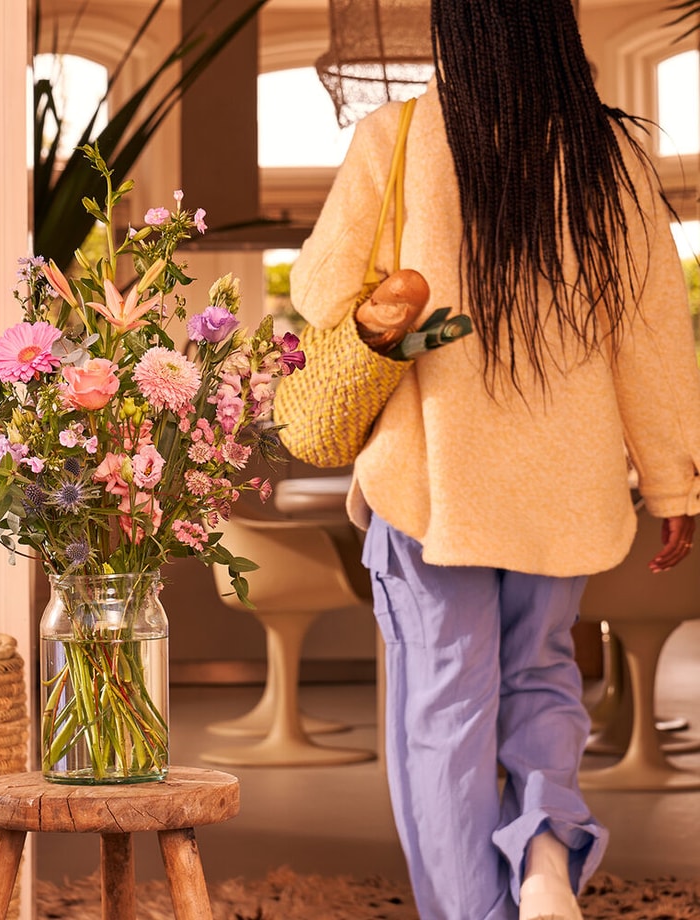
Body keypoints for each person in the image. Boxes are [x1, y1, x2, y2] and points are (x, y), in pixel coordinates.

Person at [287, 1, 700, 918]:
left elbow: (320, 292)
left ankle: (475, 912)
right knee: (546, 672)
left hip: (433, 486)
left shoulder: (396, 139)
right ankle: (547, 854)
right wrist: (673, 478)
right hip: (568, 483)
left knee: (444, 713)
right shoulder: (611, 154)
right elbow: (654, 338)